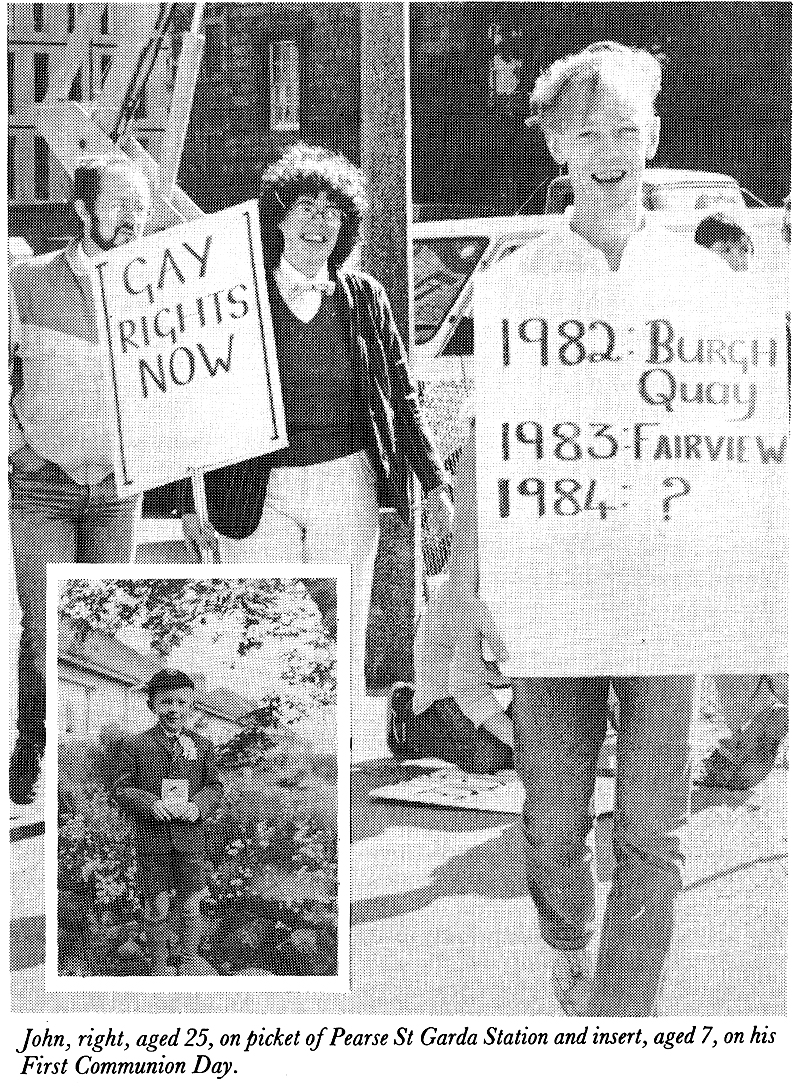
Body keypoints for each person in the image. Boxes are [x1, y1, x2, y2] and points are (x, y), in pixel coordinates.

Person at [451, 42, 744, 1017]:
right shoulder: (519, 283)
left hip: (666, 595)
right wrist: (468, 595)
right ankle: (566, 932)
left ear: (652, 136)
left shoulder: (703, 283)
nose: (610, 151)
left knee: (654, 832)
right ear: (556, 147)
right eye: (588, 133)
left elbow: (740, 441)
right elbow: (488, 451)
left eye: (626, 129)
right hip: (552, 595)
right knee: (552, 821)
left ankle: (624, 1025)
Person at [203, 145, 452, 699]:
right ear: (279, 218)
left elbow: (402, 394)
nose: (318, 223)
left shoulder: (363, 296)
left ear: (345, 226)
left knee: (342, 631)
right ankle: (267, 742)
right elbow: (200, 399)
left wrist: (434, 483)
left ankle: (344, 749)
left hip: (347, 483)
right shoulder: (237, 295)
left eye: (332, 212)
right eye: (305, 208)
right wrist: (191, 500)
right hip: (257, 490)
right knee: (262, 626)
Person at [9, 154, 152, 806]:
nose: (131, 221)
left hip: (119, 493)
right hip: (43, 490)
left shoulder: (160, 289)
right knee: (47, 625)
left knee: (98, 629)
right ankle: (32, 738)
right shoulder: (25, 283)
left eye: (139, 209)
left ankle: (86, 772)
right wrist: (19, 448)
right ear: (82, 209)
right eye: (119, 206)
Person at [110, 669, 223, 976]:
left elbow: (214, 786)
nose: (174, 709)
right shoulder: (136, 744)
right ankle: (159, 967)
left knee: (191, 903)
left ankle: (189, 961)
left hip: (190, 839)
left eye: (181, 702)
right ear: (152, 705)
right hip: (153, 839)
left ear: (191, 705)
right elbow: (121, 788)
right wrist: (150, 803)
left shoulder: (202, 745)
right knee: (157, 906)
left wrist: (197, 806)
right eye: (166, 702)